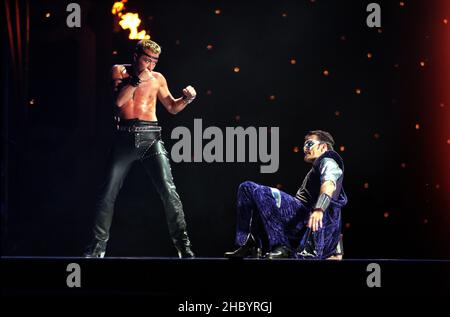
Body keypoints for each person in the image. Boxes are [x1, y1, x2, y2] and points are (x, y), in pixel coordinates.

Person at [84, 39, 196, 258]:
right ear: (135, 56)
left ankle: (184, 247)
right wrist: (137, 80)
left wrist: (187, 99)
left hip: (150, 138)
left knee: (169, 190)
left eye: (154, 61)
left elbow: (172, 107)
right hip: (124, 137)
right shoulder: (119, 71)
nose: (151, 66)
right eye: (147, 59)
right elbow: (118, 102)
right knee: (107, 194)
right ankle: (97, 249)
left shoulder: (158, 78)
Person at [224, 130, 347, 259]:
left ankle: (281, 246)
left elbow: (329, 185)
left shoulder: (328, 161)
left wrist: (319, 209)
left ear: (323, 147)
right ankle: (250, 243)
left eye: (309, 144)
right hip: (301, 216)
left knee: (261, 193)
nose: (305, 148)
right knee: (246, 187)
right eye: (304, 145)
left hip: (308, 220)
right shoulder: (317, 168)